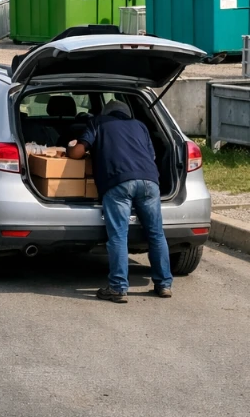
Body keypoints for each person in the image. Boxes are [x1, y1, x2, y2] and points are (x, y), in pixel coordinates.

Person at [67, 98, 172, 303]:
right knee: (156, 234)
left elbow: (78, 153)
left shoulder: (98, 123)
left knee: (118, 236)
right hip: (150, 182)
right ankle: (164, 284)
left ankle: (118, 287)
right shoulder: (140, 126)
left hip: (118, 182)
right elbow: (151, 156)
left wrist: (71, 146)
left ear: (107, 113)